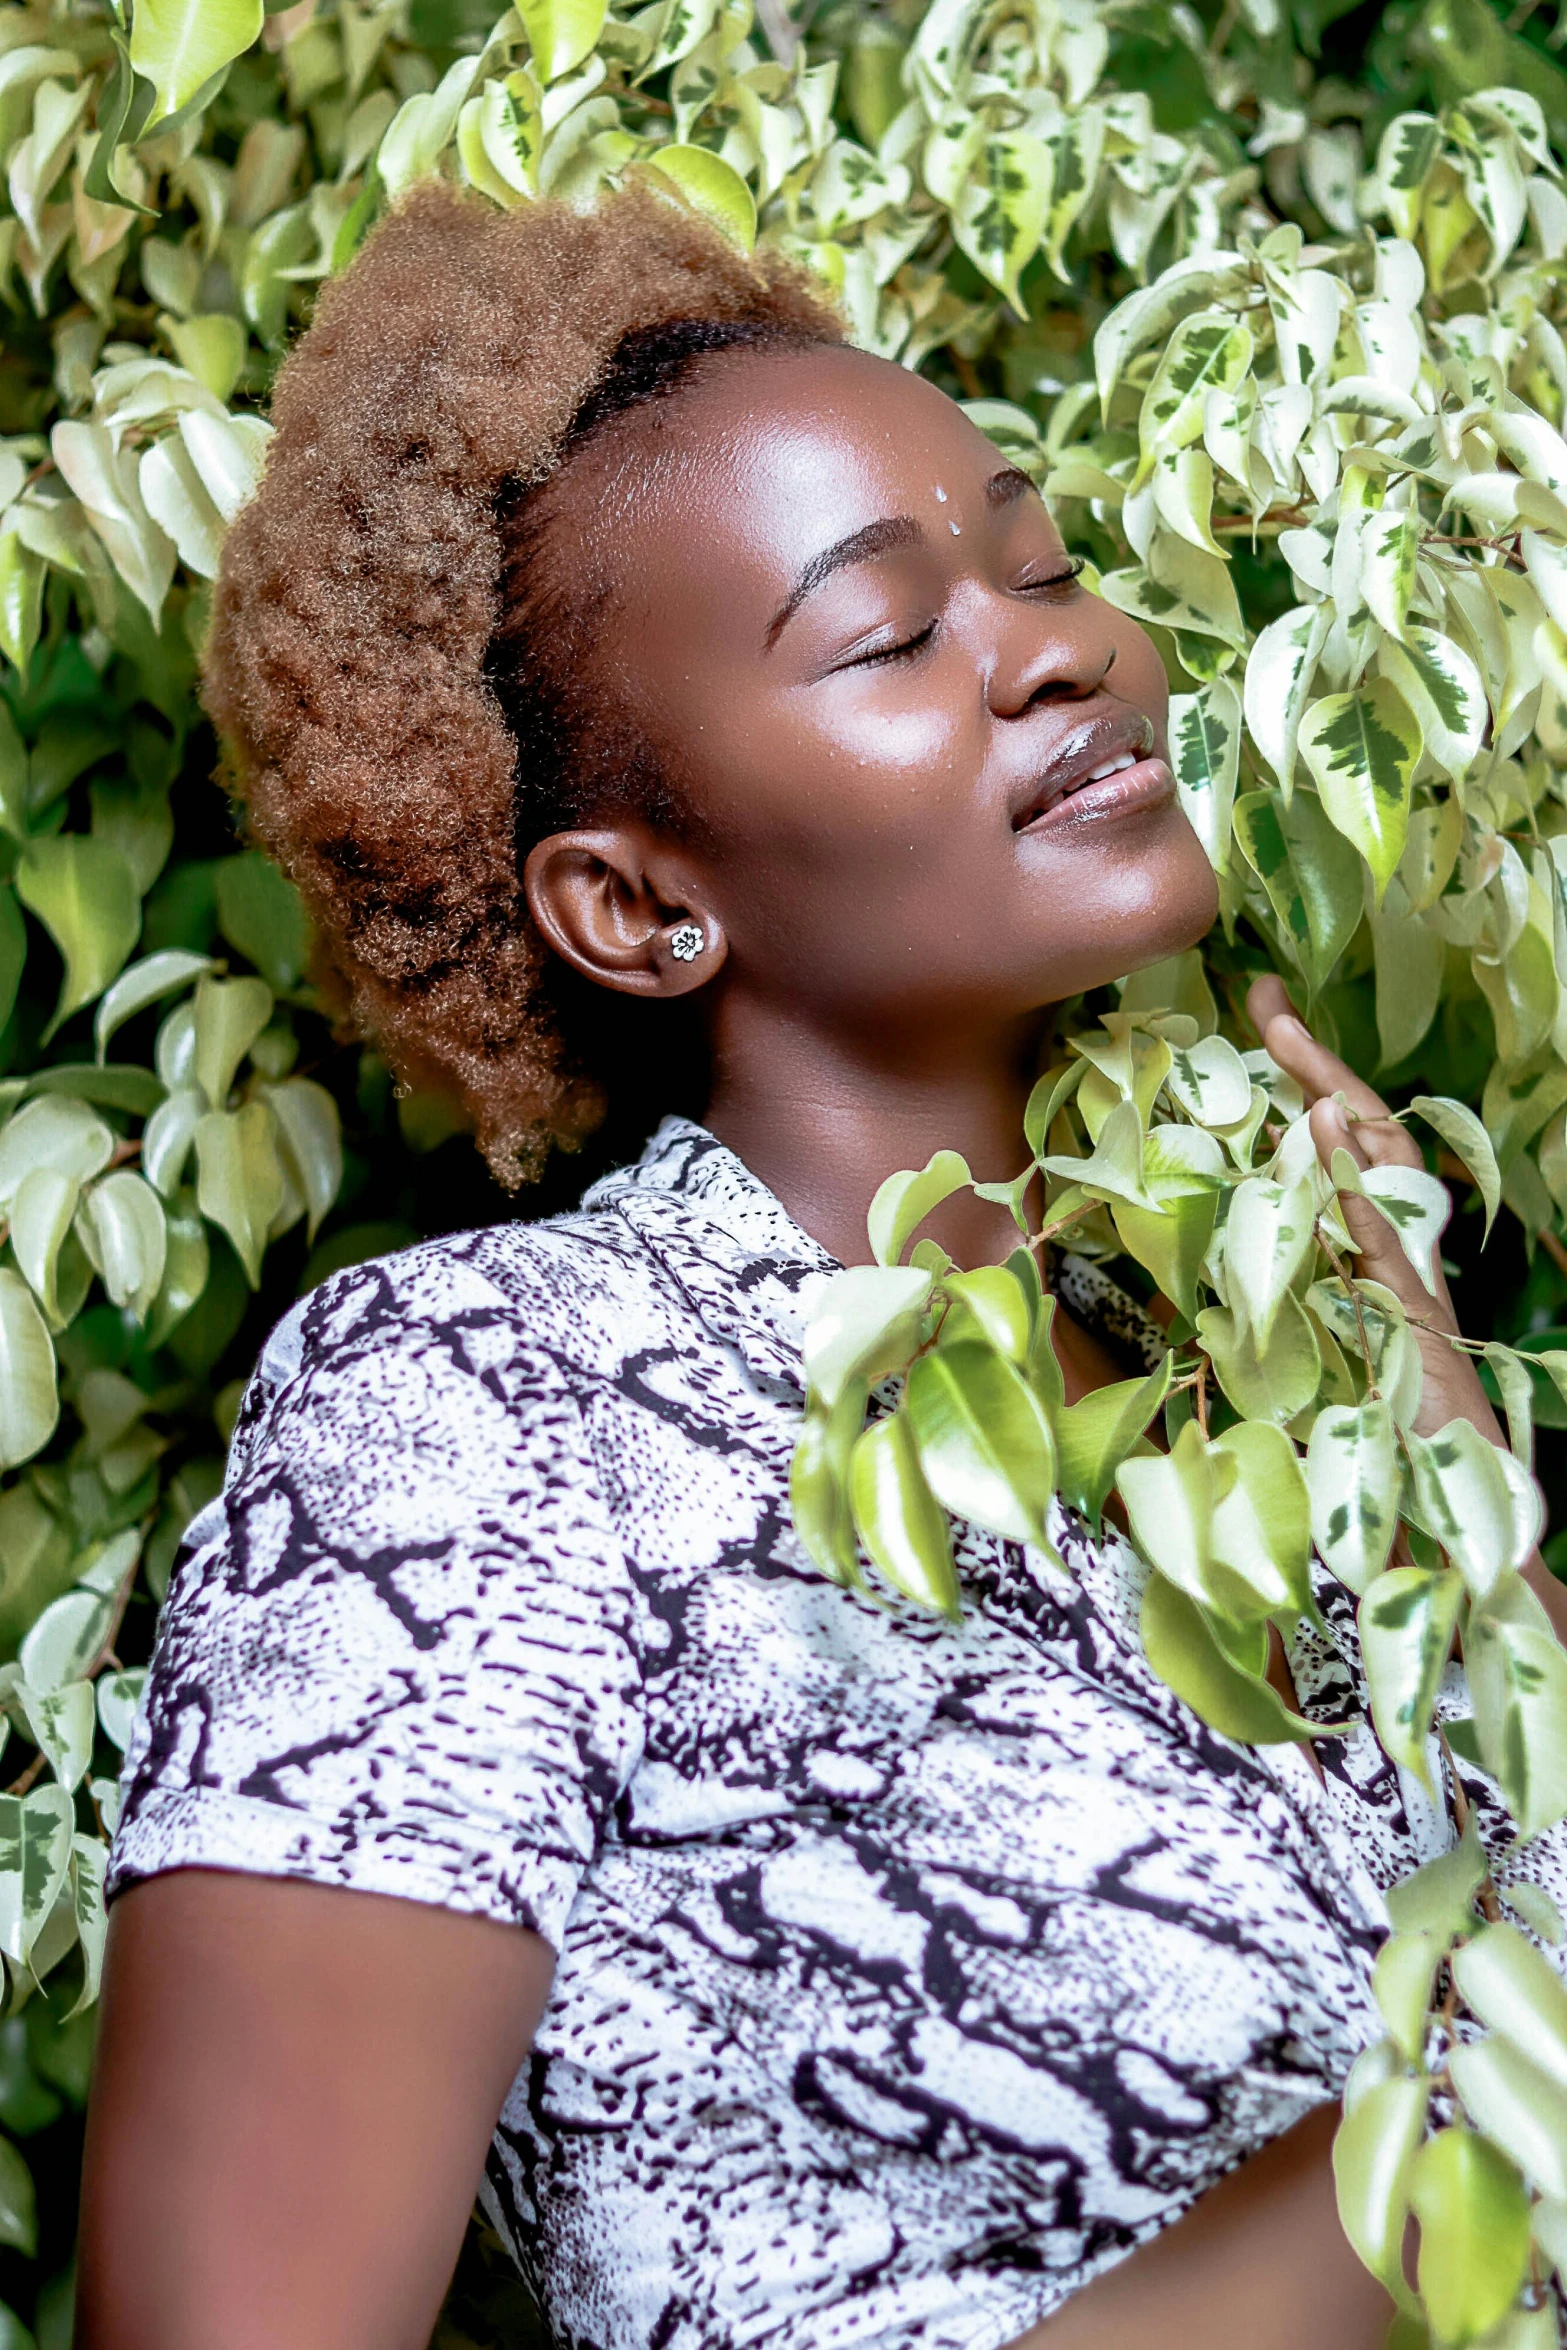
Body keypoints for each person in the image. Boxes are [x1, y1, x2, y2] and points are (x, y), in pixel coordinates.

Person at [76, 182, 1567, 2350]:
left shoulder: (1256, 1402)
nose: (1061, 644)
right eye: (884, 636)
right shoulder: (489, 1405)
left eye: (1044, 564)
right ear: (637, 903)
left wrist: (1461, 1495)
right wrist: (1466, 2145)